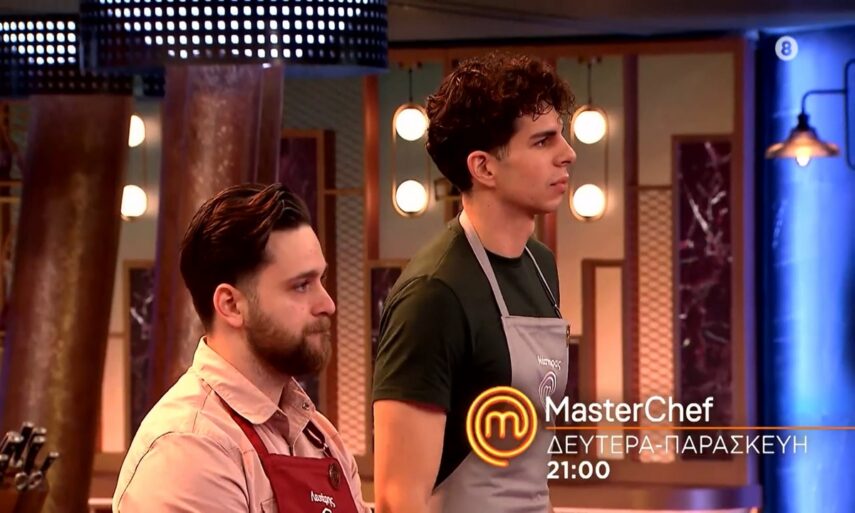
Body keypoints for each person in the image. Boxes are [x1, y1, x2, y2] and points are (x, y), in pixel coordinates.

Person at [372, 52, 576, 513]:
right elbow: (396, 498)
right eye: (543, 141)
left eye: (560, 134)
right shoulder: (433, 294)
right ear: (483, 167)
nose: (568, 153)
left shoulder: (541, 266)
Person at [113, 183, 370, 513]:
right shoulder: (190, 450)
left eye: (321, 280)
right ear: (231, 305)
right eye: (301, 285)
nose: (328, 304)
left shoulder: (321, 438)